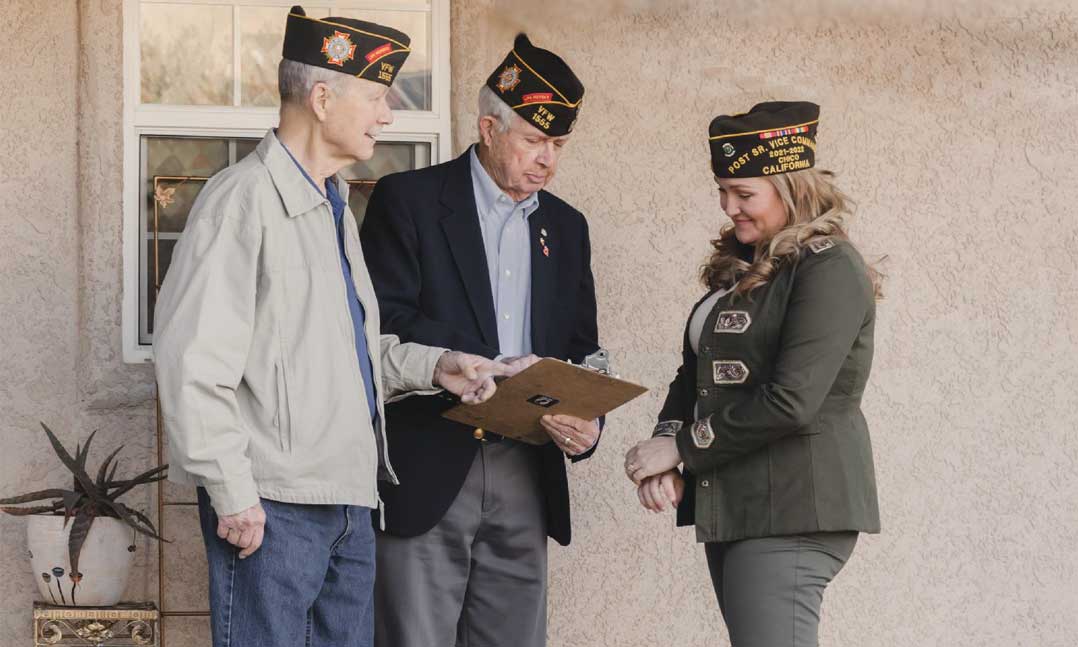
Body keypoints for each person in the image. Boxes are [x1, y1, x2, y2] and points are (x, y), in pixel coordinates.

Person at [153, 7, 509, 647]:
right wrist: (233, 494)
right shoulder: (242, 201)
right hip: (273, 505)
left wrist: (434, 366)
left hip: (347, 500)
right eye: (375, 96)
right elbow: (191, 364)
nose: (388, 114)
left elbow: (337, 350)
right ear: (322, 98)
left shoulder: (334, 204)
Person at [360, 33, 600, 647]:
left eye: (559, 145)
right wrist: (466, 363)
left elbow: (582, 348)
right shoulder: (407, 201)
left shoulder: (568, 227)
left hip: (529, 461)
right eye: (534, 140)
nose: (548, 159)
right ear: (489, 129)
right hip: (429, 458)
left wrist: (588, 420)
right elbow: (378, 326)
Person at [624, 101, 882, 647]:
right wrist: (667, 449)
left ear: (791, 188)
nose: (729, 207)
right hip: (743, 504)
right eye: (723, 191)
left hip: (794, 507)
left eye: (745, 194)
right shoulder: (750, 262)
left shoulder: (829, 266)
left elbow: (793, 399)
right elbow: (696, 373)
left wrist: (684, 451)